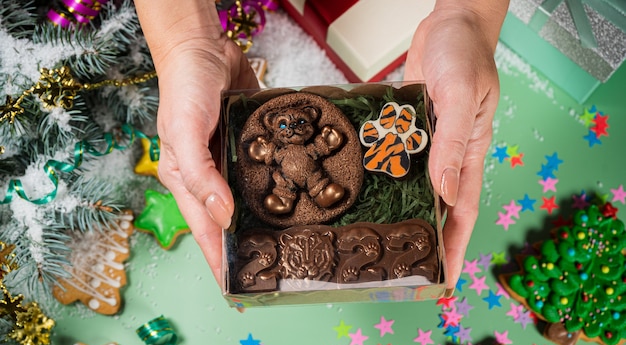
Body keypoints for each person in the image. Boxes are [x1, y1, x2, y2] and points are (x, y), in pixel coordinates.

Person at [133, 0, 510, 295]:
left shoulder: (316, 138)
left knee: (319, 183)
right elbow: (264, 154)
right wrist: (185, 41)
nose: (293, 128)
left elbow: (326, 148)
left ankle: (324, 191)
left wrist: (469, 15)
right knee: (282, 188)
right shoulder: (274, 147)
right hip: (282, 177)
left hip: (315, 173)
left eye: (301, 123)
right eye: (283, 125)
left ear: (313, 120)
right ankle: (283, 198)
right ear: (270, 128)